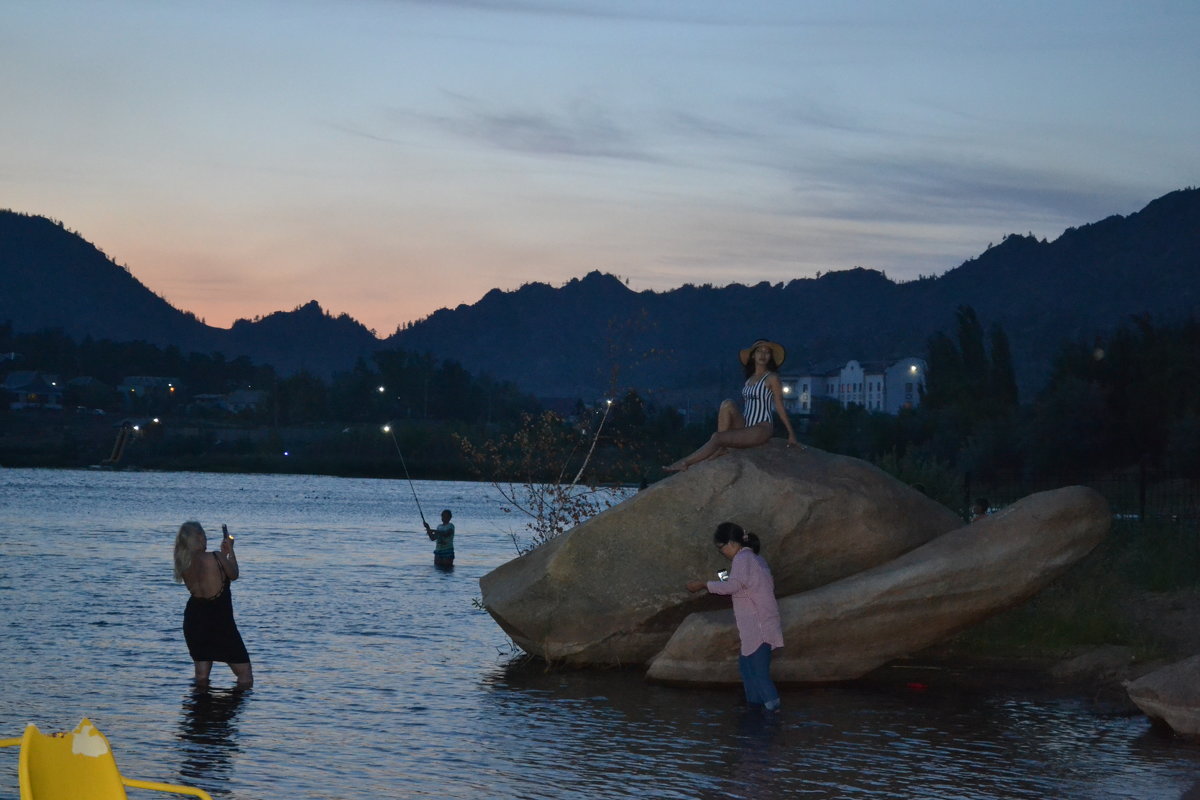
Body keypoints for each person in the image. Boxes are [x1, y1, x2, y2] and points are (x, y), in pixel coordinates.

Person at [687, 522, 783, 711]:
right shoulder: (755, 559)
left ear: (731, 543)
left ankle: (774, 718)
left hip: (759, 627)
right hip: (757, 626)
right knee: (748, 671)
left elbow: (732, 586)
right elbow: (741, 586)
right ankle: (757, 715)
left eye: (721, 548)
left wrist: (703, 584)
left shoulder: (743, 559)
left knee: (759, 674)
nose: (721, 552)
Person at [665, 338, 800, 471]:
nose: (763, 355)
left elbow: (779, 405)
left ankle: (686, 462)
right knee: (727, 403)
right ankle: (721, 447)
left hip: (761, 427)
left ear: (770, 357)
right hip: (745, 423)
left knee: (717, 437)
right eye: (759, 351)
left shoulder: (772, 378)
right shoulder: (750, 379)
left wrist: (791, 433)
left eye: (767, 352)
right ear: (753, 355)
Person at [173, 521, 253, 688]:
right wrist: (230, 550)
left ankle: (200, 711)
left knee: (201, 676)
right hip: (220, 621)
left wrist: (224, 555)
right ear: (200, 537)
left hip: (195, 620)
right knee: (244, 674)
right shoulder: (215, 556)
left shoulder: (184, 562)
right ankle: (231, 712)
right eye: (205, 535)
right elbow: (234, 574)